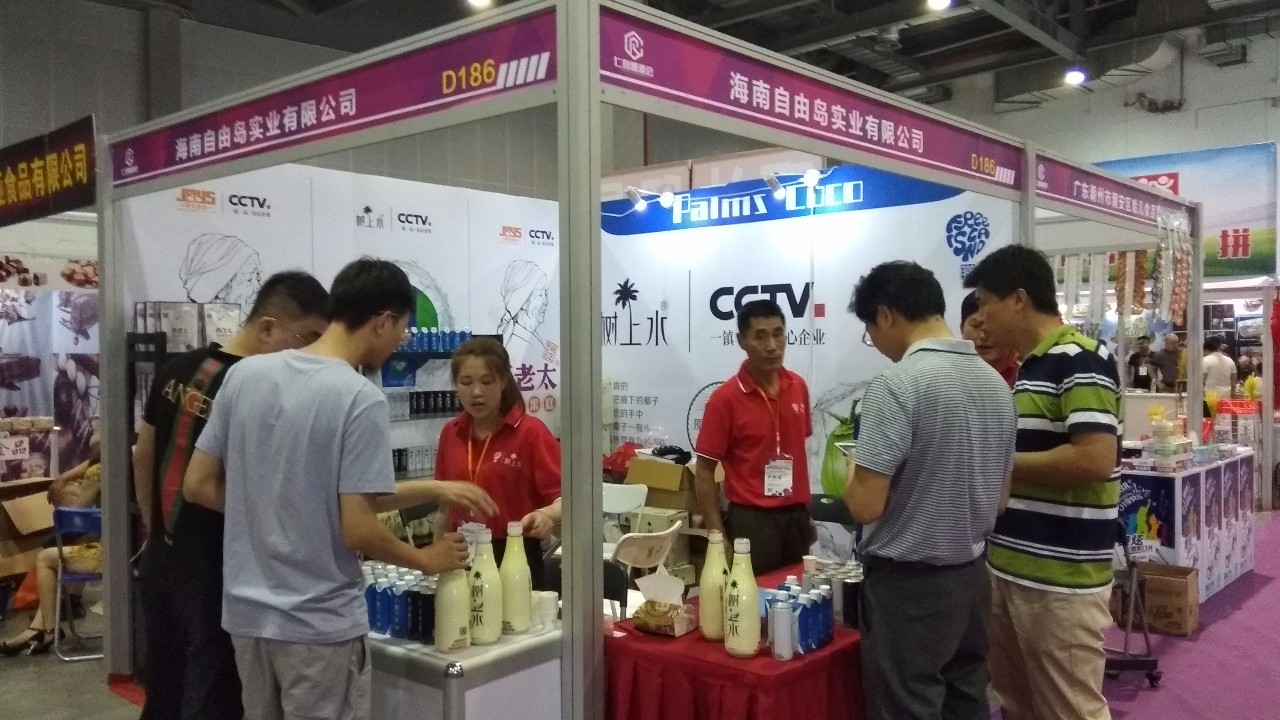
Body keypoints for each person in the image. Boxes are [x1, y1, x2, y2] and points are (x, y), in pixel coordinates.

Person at [183, 258, 496, 720]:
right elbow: (358, 528)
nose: (401, 340)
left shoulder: (244, 376)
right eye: (402, 329)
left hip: (248, 616)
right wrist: (425, 560)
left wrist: (435, 488)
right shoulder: (358, 397)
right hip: (318, 623)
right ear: (382, 322)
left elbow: (197, 485)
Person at [133, 271, 332, 720]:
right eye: (308, 339)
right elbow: (225, 486)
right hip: (220, 570)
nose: (313, 356)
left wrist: (155, 530)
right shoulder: (256, 388)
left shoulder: (177, 369)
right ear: (267, 328)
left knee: (164, 690)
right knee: (213, 697)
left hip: (164, 561)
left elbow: (143, 454)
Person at [846, 262, 1016, 720]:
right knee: (967, 699)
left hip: (909, 589)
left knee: (907, 706)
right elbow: (1001, 499)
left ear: (885, 315)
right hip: (972, 577)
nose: (875, 343)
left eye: (870, 330)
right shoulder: (995, 384)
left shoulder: (898, 384)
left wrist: (851, 468)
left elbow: (864, 505)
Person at [965, 245, 1121, 720]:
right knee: (1017, 704)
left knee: (1070, 708)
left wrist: (998, 462)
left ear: (1018, 299)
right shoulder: (1027, 369)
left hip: (1061, 581)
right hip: (1011, 568)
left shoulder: (1079, 358)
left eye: (985, 303)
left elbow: (1095, 458)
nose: (980, 319)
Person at [694, 299, 814, 575]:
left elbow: (799, 452)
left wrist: (806, 514)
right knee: (754, 598)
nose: (772, 345)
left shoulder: (798, 386)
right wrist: (717, 537)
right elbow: (703, 472)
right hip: (752, 521)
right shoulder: (725, 399)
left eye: (778, 333)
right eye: (760, 336)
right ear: (741, 341)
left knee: (799, 594)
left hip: (796, 517)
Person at [434, 336, 561, 589]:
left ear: (503, 381)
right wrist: (436, 555)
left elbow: (568, 500)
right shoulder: (451, 432)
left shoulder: (530, 432)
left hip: (513, 552)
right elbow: (444, 507)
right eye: (466, 382)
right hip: (461, 551)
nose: (476, 392)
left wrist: (545, 515)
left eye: (486, 382)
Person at [0, 430, 101, 657]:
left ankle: (47, 630)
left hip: (108, 551)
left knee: (48, 557)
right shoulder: (119, 463)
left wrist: (69, 492)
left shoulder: (97, 472)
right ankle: (39, 629)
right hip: (121, 545)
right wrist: (66, 481)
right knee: (56, 551)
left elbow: (77, 514)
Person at [960, 291, 1019, 387]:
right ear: (962, 329)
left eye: (995, 326)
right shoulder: (948, 377)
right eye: (976, 325)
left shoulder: (1028, 379)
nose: (983, 335)